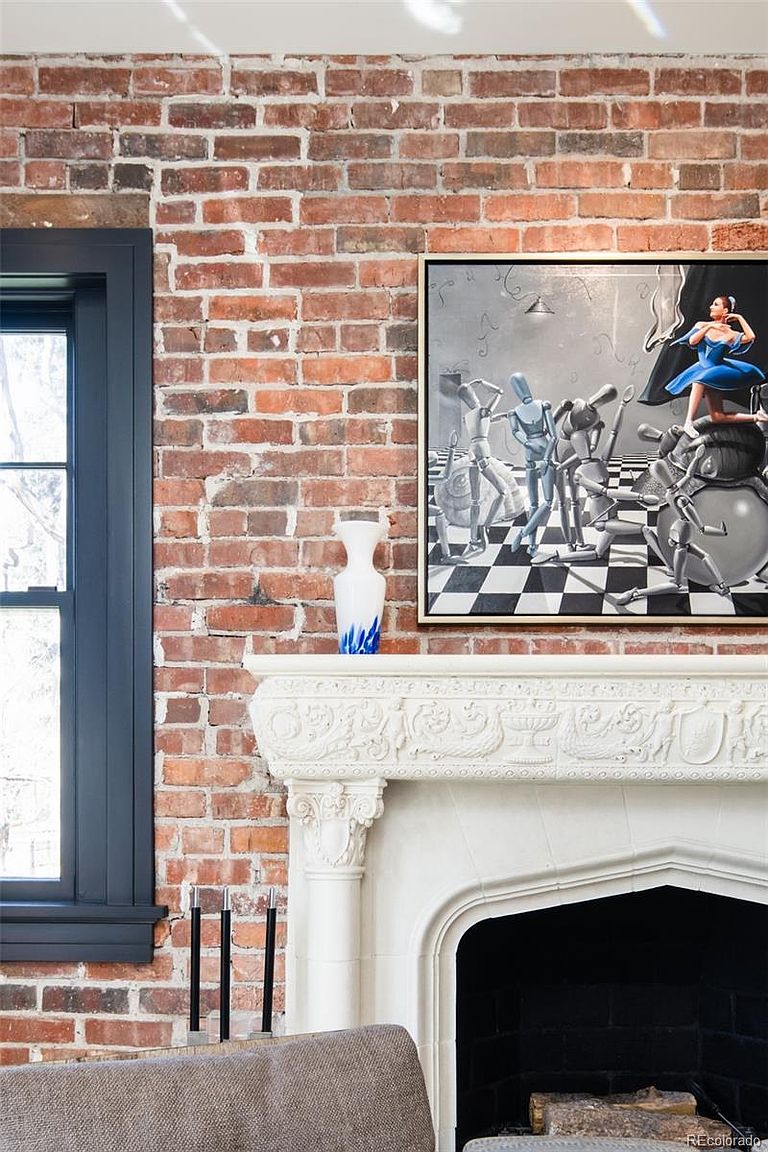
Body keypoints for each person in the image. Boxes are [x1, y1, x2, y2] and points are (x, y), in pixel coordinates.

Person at [664, 295, 767, 438]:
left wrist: (738, 317)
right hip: (704, 369)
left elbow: (751, 337)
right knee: (718, 416)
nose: (711, 306)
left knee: (699, 380)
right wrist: (710, 326)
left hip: (718, 370)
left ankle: (688, 422)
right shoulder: (701, 325)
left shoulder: (731, 334)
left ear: (725, 311)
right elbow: (693, 341)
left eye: (715, 304)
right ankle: (758, 417)